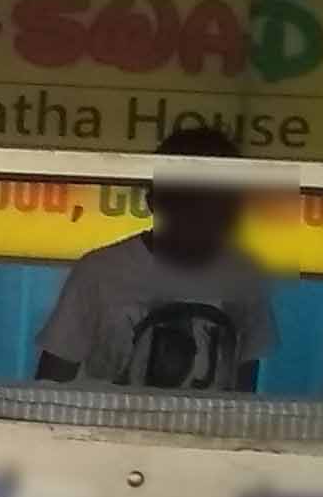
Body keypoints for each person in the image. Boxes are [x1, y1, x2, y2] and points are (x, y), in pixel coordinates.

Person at [35, 128, 277, 396]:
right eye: (190, 202)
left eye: (217, 203)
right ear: (155, 201)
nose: (203, 216)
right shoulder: (99, 272)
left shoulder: (243, 278)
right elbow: (50, 386)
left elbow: (244, 392)